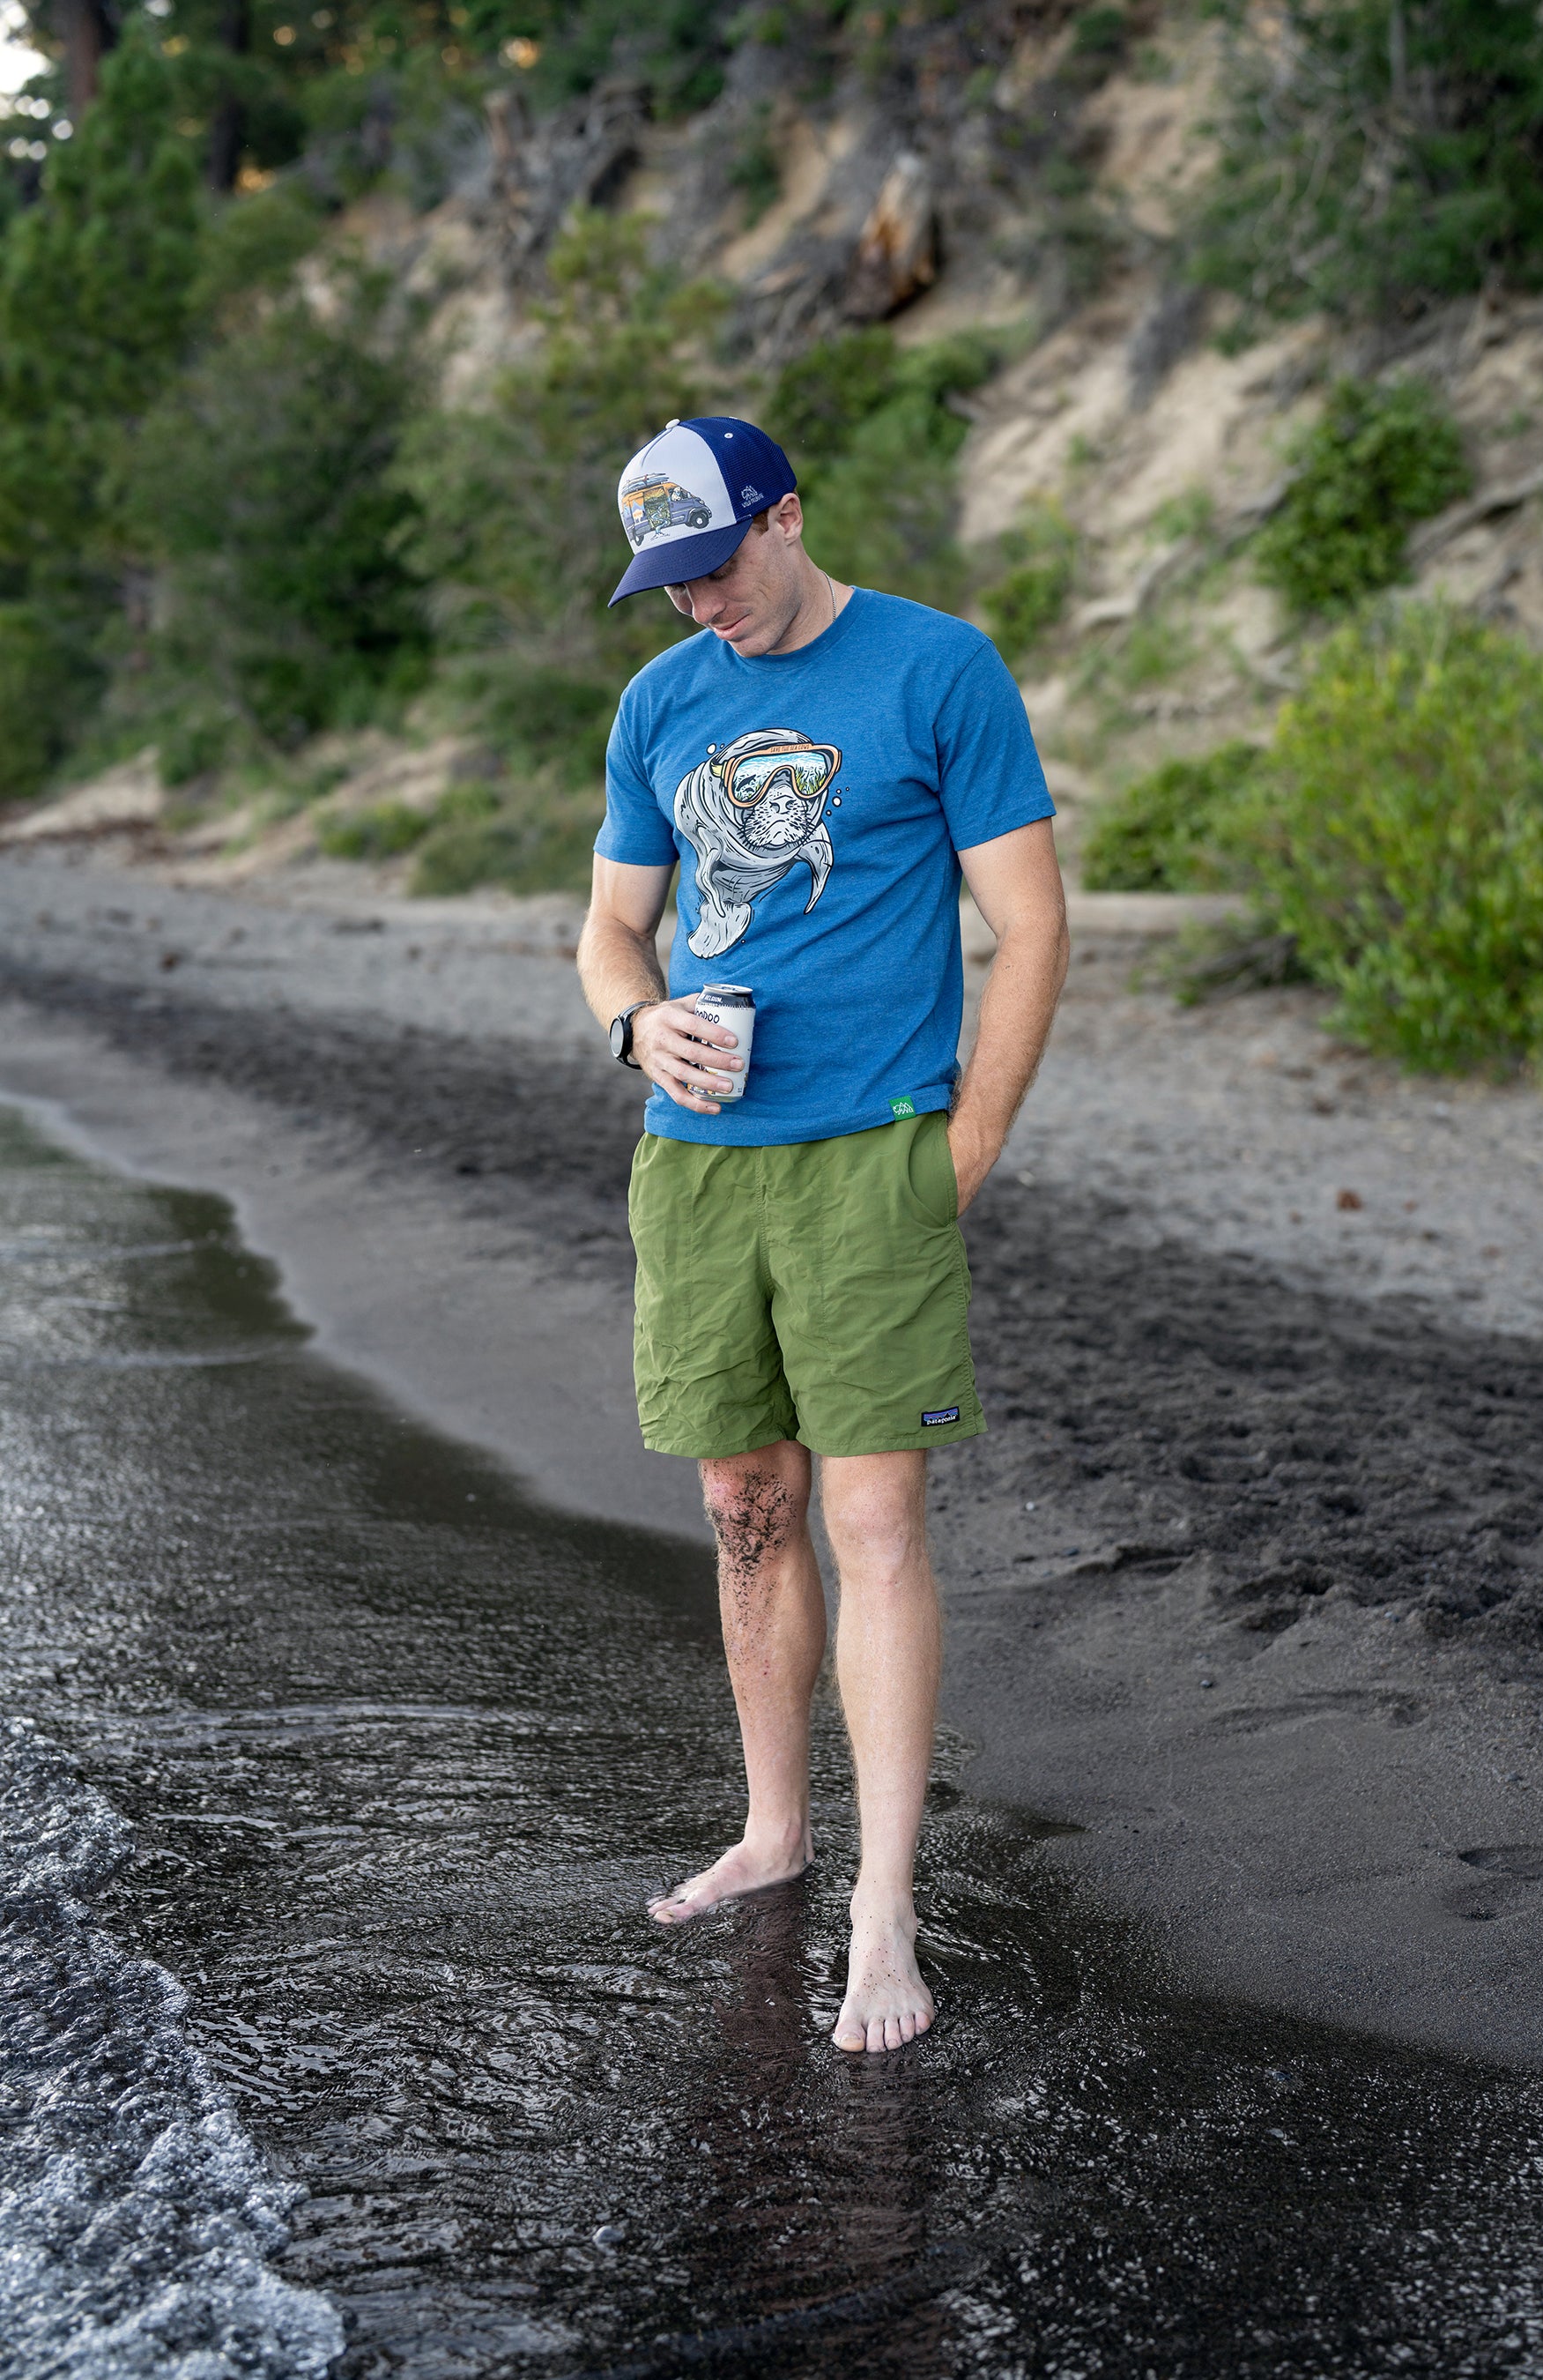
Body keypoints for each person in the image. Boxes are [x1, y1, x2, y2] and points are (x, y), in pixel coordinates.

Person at [577, 414, 1068, 2055]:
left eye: (713, 565)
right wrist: (635, 1023)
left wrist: (966, 1147)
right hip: (699, 1167)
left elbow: (1031, 923)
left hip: (873, 1158)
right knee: (744, 1509)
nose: (697, 603)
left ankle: (883, 1908)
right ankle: (776, 1831)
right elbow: (613, 927)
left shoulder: (936, 669)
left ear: (785, 517)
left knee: (871, 1525)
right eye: (667, 584)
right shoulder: (661, 703)